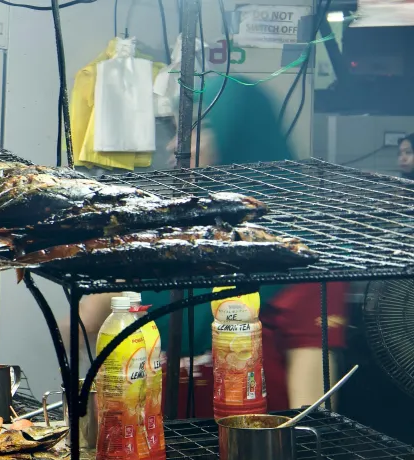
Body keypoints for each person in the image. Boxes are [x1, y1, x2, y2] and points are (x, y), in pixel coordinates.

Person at [73, 81, 346, 415]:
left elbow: (311, 407)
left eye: (198, 131)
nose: (176, 146)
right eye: (176, 131)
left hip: (245, 455)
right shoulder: (167, 231)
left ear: (241, 137)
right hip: (147, 448)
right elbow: (85, 323)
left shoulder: (297, 255)